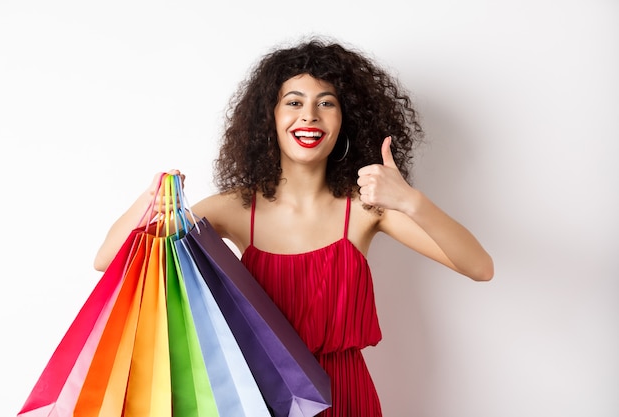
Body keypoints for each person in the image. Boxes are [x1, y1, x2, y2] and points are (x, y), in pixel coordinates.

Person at [94, 37, 494, 417]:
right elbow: (107, 260)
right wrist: (149, 201)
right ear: (270, 116)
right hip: (264, 396)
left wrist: (410, 200)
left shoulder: (367, 209)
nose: (309, 116)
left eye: (326, 103)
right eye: (294, 102)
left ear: (345, 119)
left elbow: (479, 267)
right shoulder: (235, 209)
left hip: (347, 398)